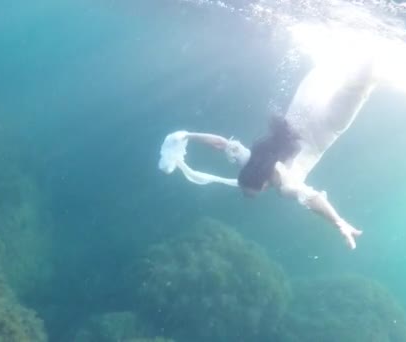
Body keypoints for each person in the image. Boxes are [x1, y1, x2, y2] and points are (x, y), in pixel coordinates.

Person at [158, 57, 378, 249]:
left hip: (326, 125)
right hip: (305, 106)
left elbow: (312, 199)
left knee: (359, 82)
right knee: (341, 71)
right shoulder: (251, 161)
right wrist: (188, 136)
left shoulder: (286, 186)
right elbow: (220, 143)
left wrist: (337, 222)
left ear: (264, 185)